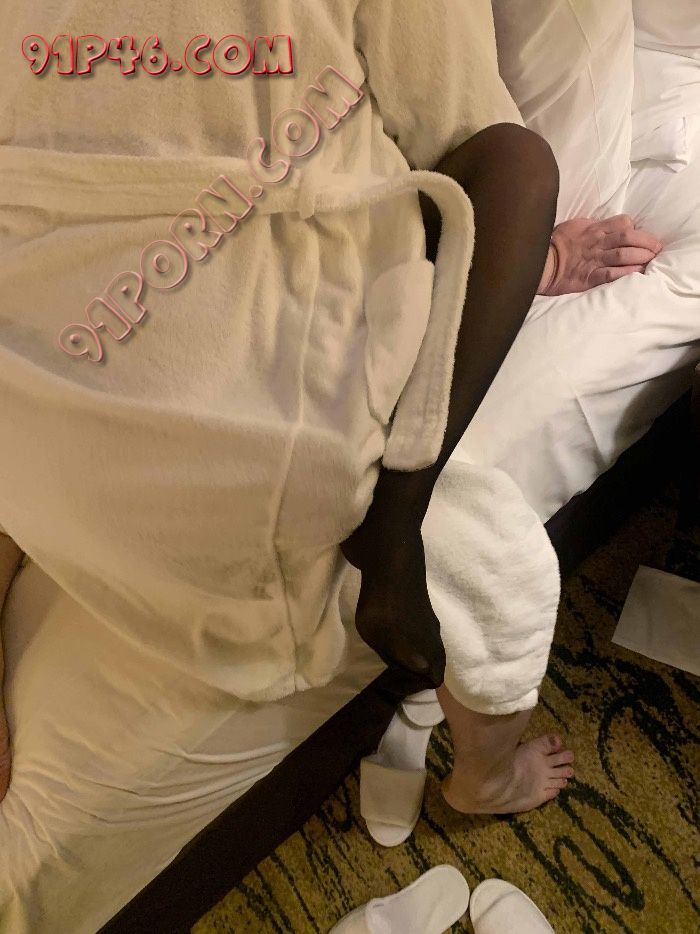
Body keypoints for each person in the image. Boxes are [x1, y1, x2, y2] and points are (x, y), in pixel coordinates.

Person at [0, 0, 661, 812]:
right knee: (519, 164)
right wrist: (543, 256)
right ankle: (483, 768)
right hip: (245, 457)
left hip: (24, 407)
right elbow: (472, 144)